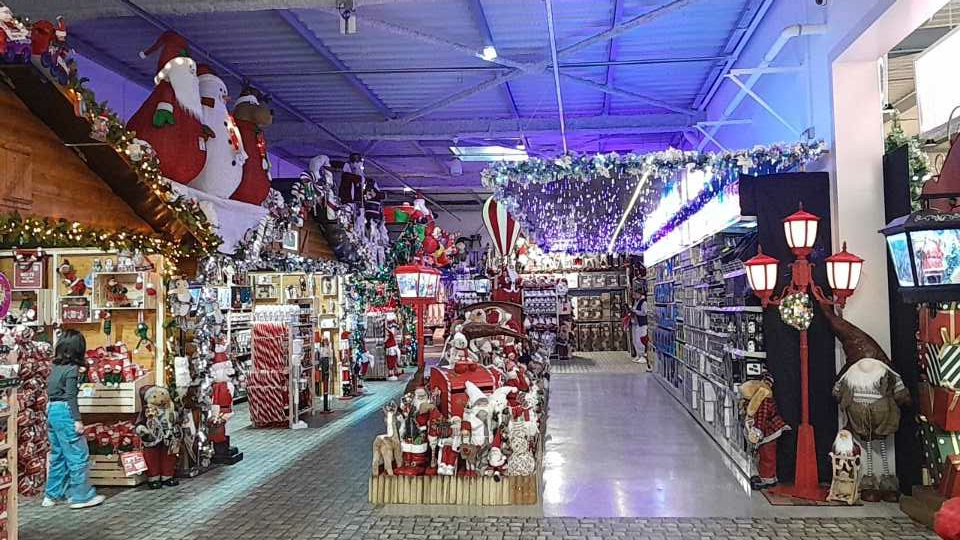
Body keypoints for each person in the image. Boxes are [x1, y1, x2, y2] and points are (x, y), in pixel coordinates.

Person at [43, 330, 106, 509]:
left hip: (52, 411)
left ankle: (52, 495)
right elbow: (71, 396)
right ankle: (81, 496)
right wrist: (77, 420)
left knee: (58, 455)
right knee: (78, 455)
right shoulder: (72, 370)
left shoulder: (55, 368)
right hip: (65, 412)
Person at [630, 289, 648, 365]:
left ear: (640, 294)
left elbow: (645, 313)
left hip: (642, 324)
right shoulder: (636, 301)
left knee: (641, 340)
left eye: (635, 294)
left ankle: (643, 356)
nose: (634, 296)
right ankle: (638, 355)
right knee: (636, 340)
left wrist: (635, 311)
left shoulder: (644, 302)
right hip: (636, 323)